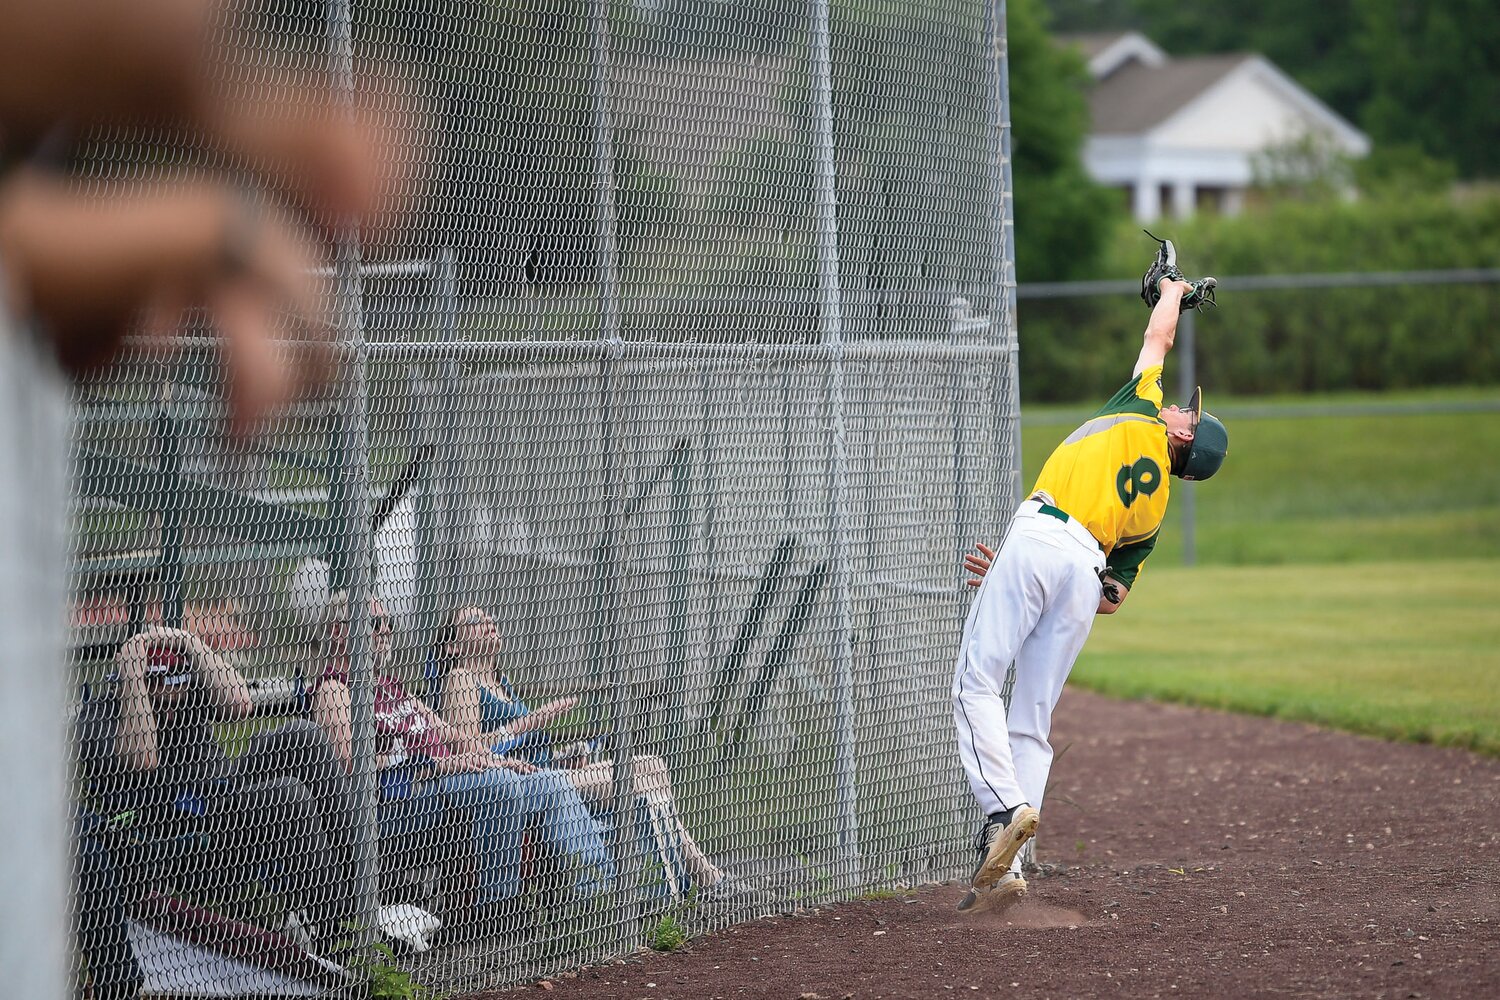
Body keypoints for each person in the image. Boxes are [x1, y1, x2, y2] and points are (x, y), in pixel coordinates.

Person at [952, 271, 1229, 914]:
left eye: (1187, 412)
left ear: (1183, 438)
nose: (1178, 407)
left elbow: (1158, 335)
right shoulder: (1155, 512)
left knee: (975, 681)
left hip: (1041, 538)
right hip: (1082, 572)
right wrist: (1038, 571)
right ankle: (1011, 866)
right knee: (1033, 719)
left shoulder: (1137, 413)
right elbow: (1110, 597)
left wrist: (1172, 290)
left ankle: (1003, 812)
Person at [310, 594, 613, 925]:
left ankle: (598, 892)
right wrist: (438, 765)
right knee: (502, 786)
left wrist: (493, 760)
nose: (385, 632)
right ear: (339, 632)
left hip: (442, 782)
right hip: (400, 797)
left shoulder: (391, 686)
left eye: (389, 624)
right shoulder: (334, 690)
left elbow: (455, 737)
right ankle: (495, 908)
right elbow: (353, 767)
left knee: (547, 781)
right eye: (374, 624)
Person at [74, 626, 361, 950]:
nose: (178, 691)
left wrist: (188, 642)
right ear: (143, 682)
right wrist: (131, 677)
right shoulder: (99, 715)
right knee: (287, 795)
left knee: (303, 735)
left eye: (181, 678)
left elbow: (240, 703)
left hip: (227, 792)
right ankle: (338, 934)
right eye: (166, 682)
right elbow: (144, 758)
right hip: (183, 821)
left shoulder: (185, 692)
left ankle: (360, 900)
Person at [436, 604, 725, 893]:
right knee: (641, 780)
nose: (487, 621)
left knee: (653, 765)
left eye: (489, 616)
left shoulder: (502, 682)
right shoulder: (461, 678)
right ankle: (697, 880)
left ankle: (689, 878)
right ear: (452, 646)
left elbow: (529, 745)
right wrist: (526, 723)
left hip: (547, 769)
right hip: (525, 779)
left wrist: (564, 755)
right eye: (474, 620)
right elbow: (471, 753)